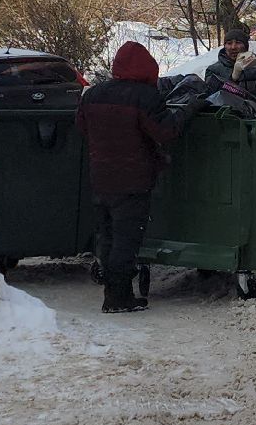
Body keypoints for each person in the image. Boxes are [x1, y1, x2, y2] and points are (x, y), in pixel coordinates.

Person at [75, 41, 183, 313]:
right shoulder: (145, 97)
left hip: (101, 178)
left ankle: (111, 293)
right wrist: (188, 110)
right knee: (126, 240)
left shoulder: (93, 94)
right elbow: (165, 132)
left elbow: (81, 127)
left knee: (108, 236)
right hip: (133, 181)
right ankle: (119, 298)